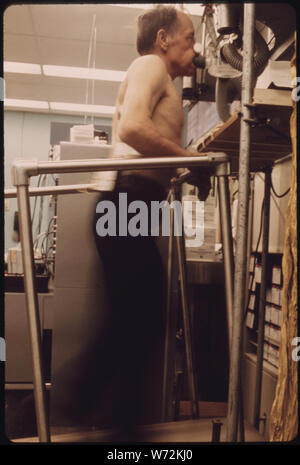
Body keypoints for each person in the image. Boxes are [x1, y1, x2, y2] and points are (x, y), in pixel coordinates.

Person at [91, 5, 211, 441]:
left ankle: (116, 422)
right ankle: (90, 405)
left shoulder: (164, 80)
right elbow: (134, 129)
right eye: (190, 38)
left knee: (135, 318)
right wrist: (191, 159)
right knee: (140, 317)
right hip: (127, 199)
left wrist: (185, 168)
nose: (194, 49)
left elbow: (151, 145)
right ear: (164, 39)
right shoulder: (149, 65)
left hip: (137, 201)